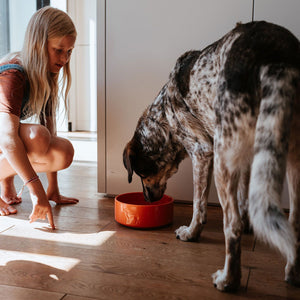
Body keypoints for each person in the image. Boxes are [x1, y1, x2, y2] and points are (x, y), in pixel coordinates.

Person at [0, 6, 79, 229]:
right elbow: (6, 138)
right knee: (36, 136)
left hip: (3, 132)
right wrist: (36, 190)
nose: (64, 58)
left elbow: (49, 126)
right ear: (38, 45)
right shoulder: (13, 74)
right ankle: (5, 179)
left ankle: (5, 180)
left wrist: (52, 188)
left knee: (63, 152)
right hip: (1, 134)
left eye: (69, 51)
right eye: (58, 50)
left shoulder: (46, 73)